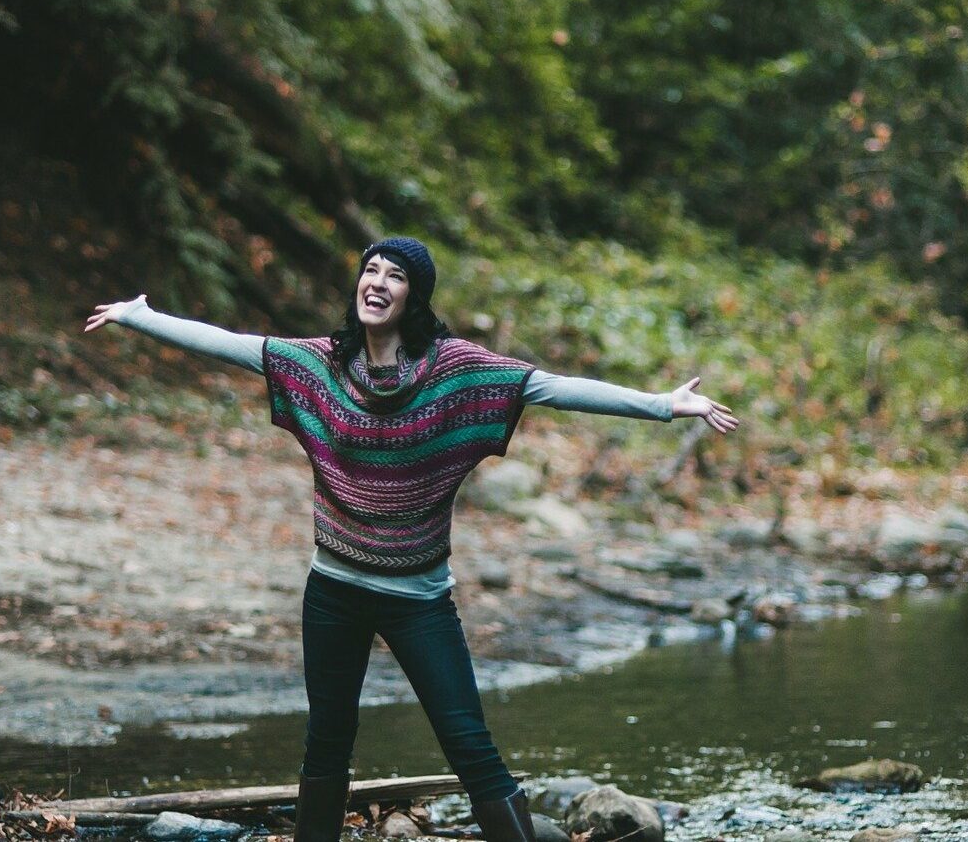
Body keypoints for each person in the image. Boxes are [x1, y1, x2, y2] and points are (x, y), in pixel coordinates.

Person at [85, 237, 737, 842]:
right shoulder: (322, 363)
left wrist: (659, 404)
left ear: (413, 296)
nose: (376, 282)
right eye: (369, 270)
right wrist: (141, 317)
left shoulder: (454, 369)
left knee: (470, 746)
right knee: (326, 743)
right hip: (334, 590)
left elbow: (549, 388)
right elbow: (229, 343)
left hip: (419, 600)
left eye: (394, 276)